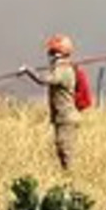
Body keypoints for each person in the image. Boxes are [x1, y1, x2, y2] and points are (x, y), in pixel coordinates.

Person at [19, 33, 79, 170]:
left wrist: (29, 71)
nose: (49, 55)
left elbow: (44, 80)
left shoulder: (63, 69)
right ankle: (67, 176)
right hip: (62, 117)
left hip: (66, 118)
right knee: (61, 148)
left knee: (66, 150)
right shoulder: (61, 68)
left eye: (52, 52)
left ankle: (70, 179)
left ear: (58, 53)